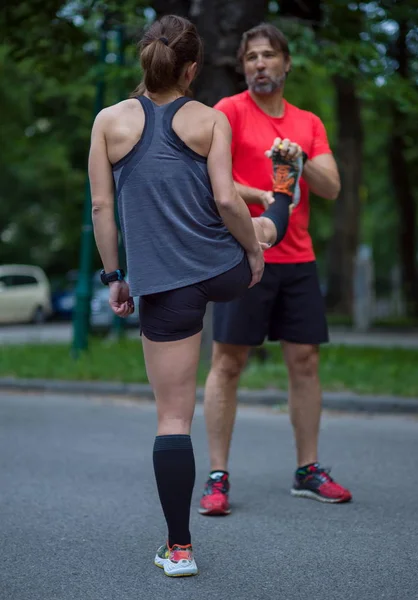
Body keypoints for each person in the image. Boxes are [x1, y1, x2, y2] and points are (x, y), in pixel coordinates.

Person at [88, 15, 302, 578]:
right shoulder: (209, 120)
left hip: (166, 287)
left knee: (172, 418)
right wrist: (255, 252)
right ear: (192, 68)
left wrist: (115, 278)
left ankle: (179, 549)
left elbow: (102, 209)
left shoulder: (109, 122)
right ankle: (285, 188)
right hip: (223, 268)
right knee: (261, 223)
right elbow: (227, 201)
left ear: (145, 61)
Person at [199, 23, 352, 517]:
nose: (260, 64)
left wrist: (299, 158)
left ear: (286, 64)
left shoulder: (307, 121)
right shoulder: (228, 113)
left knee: (305, 361)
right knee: (228, 361)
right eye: (252, 58)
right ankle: (217, 476)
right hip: (242, 255)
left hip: (298, 258)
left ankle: (308, 470)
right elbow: (210, 176)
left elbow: (332, 186)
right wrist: (262, 196)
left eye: (269, 56)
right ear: (244, 66)